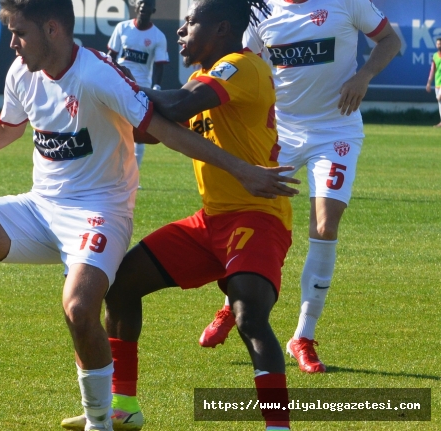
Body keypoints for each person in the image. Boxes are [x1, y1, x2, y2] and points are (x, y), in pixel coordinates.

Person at [0, 1, 298, 430]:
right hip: (46, 209)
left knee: (94, 309)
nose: (12, 43)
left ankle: (113, 419)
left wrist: (240, 168)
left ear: (52, 29)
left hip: (116, 214)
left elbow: (166, 123)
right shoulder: (23, 71)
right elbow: (7, 126)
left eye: (19, 33)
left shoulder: (115, 73)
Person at [62, 0, 296, 429]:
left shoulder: (239, 66)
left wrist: (109, 81)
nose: (180, 31)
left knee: (249, 315)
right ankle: (124, 406)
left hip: (257, 217)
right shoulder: (203, 78)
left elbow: (177, 105)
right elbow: (154, 128)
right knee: (121, 286)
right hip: (210, 222)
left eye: (191, 23)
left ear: (222, 28)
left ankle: (277, 425)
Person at [198, 0, 401, 375]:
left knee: (324, 227)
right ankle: (234, 304)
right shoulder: (261, 11)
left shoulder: (346, 2)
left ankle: (302, 337)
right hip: (280, 132)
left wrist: (364, 76)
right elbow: (243, 60)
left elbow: (389, 40)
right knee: (255, 217)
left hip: (336, 129)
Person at [107, 0, 169, 173]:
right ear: (135, 6)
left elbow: (159, 64)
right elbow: (111, 55)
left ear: (153, 10)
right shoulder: (122, 28)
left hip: (140, 88)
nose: (143, 7)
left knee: (140, 131)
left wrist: (156, 86)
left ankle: (134, 174)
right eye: (141, 3)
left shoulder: (158, 36)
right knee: (112, 127)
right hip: (118, 85)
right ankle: (111, 172)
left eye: (147, 4)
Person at [427, 36, 441, 127]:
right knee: (440, 103)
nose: (438, 45)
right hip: (437, 83)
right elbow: (432, 70)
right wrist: (429, 82)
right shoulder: (435, 56)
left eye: (440, 44)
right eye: (437, 44)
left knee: (439, 98)